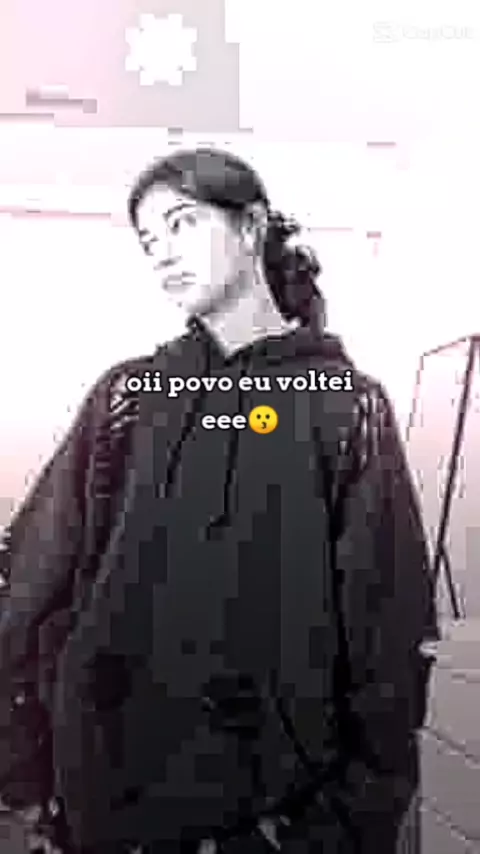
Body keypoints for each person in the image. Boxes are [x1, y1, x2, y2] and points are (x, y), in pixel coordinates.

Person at [0, 146, 438, 854]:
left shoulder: (344, 407)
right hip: (107, 807)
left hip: (278, 819)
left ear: (251, 226)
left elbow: (387, 635)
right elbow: (27, 584)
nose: (162, 253)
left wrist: (350, 820)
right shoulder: (129, 398)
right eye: (149, 240)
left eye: (182, 223)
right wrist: (24, 774)